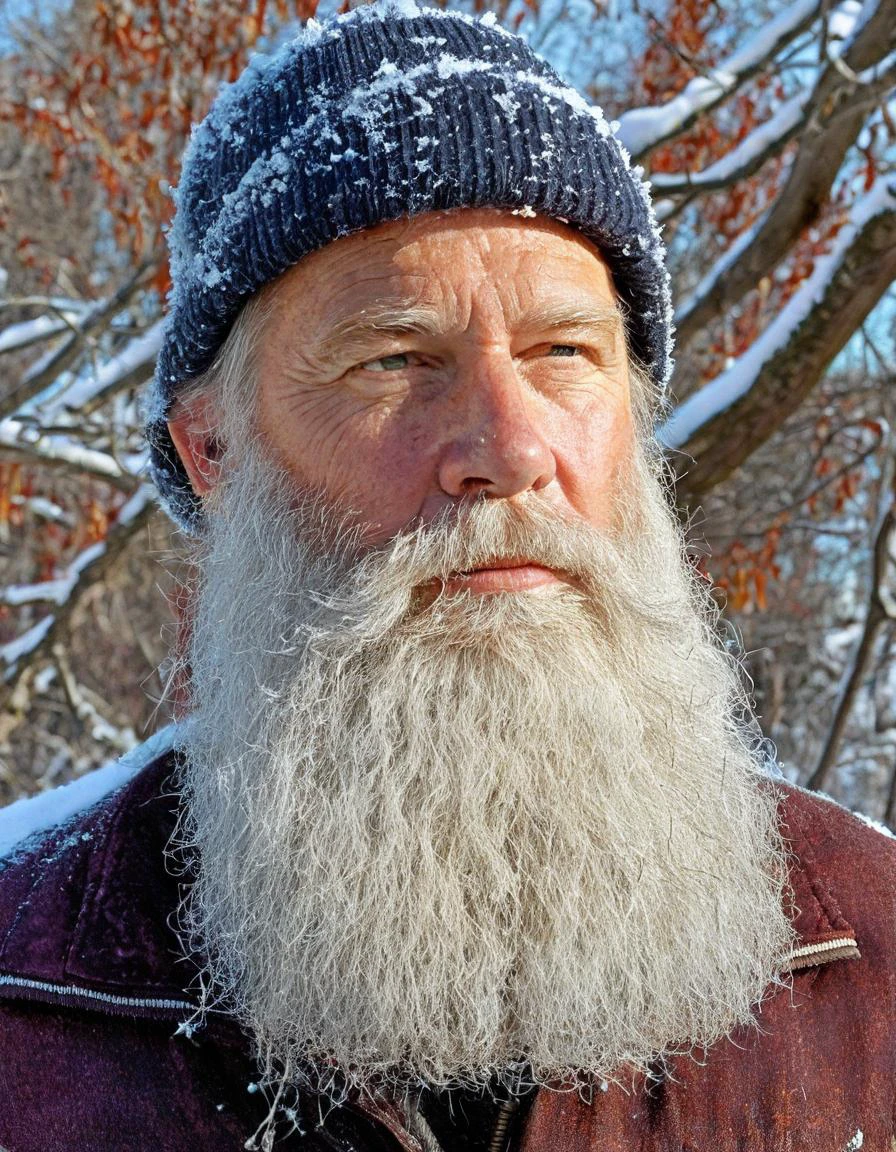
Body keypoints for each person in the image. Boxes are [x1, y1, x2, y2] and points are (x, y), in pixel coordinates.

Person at [1, 3, 894, 1150]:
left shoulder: (863, 969)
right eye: (394, 359)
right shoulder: (29, 996)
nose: (509, 450)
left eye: (563, 352)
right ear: (213, 451)